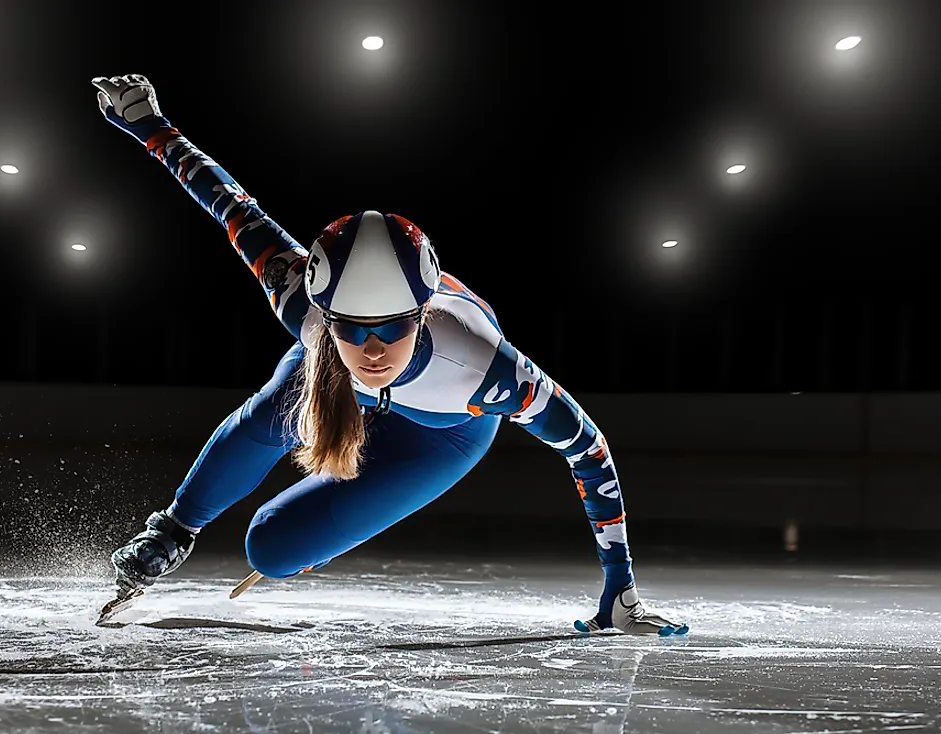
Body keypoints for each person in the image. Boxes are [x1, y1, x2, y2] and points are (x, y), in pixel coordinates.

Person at [90, 74, 687, 636]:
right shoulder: (305, 307)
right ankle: (174, 526)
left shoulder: (480, 368)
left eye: (394, 327)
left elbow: (589, 448)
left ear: (423, 313)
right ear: (327, 312)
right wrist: (148, 123)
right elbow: (231, 205)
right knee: (283, 400)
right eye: (351, 328)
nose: (372, 349)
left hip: (444, 432)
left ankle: (257, 531)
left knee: (270, 548)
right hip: (334, 383)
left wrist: (620, 587)